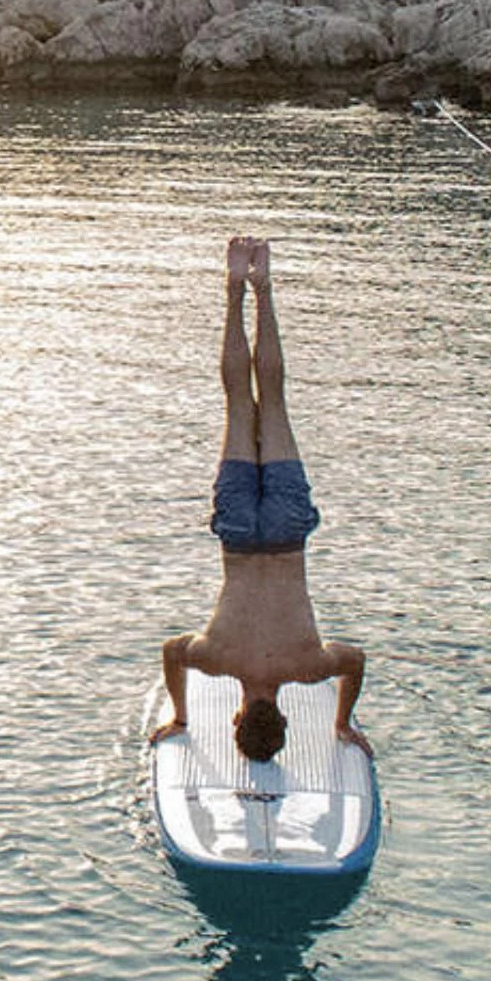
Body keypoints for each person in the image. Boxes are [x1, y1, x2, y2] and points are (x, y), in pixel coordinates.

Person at [147, 236, 370, 761]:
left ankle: (262, 285)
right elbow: (171, 652)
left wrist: (343, 719)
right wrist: (180, 712)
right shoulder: (215, 657)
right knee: (237, 403)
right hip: (241, 537)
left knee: (272, 398)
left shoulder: (308, 666)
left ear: (285, 717)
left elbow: (355, 660)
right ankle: (233, 288)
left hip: (288, 533)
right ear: (238, 717)